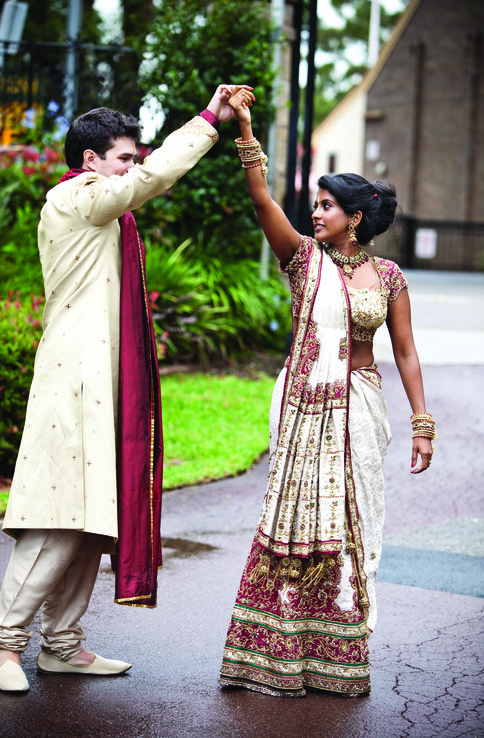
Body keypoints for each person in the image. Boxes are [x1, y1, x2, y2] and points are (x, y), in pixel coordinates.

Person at [0, 84, 252, 692]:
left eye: (134, 159)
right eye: (123, 159)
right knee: (61, 515)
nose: (132, 169)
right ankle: (5, 644)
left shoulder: (101, 206)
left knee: (95, 516)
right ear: (91, 162)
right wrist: (208, 121)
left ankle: (62, 643)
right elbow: (158, 176)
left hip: (101, 376)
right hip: (74, 376)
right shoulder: (75, 199)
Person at [219, 88, 436, 697]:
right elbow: (261, 196)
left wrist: (423, 421)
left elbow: (407, 351)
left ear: (355, 216)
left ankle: (337, 650)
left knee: (353, 520)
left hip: (360, 406)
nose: (315, 214)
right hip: (305, 404)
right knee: (294, 520)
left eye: (326, 206)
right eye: (314, 205)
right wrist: (246, 131)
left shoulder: (389, 277)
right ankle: (274, 648)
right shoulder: (300, 259)